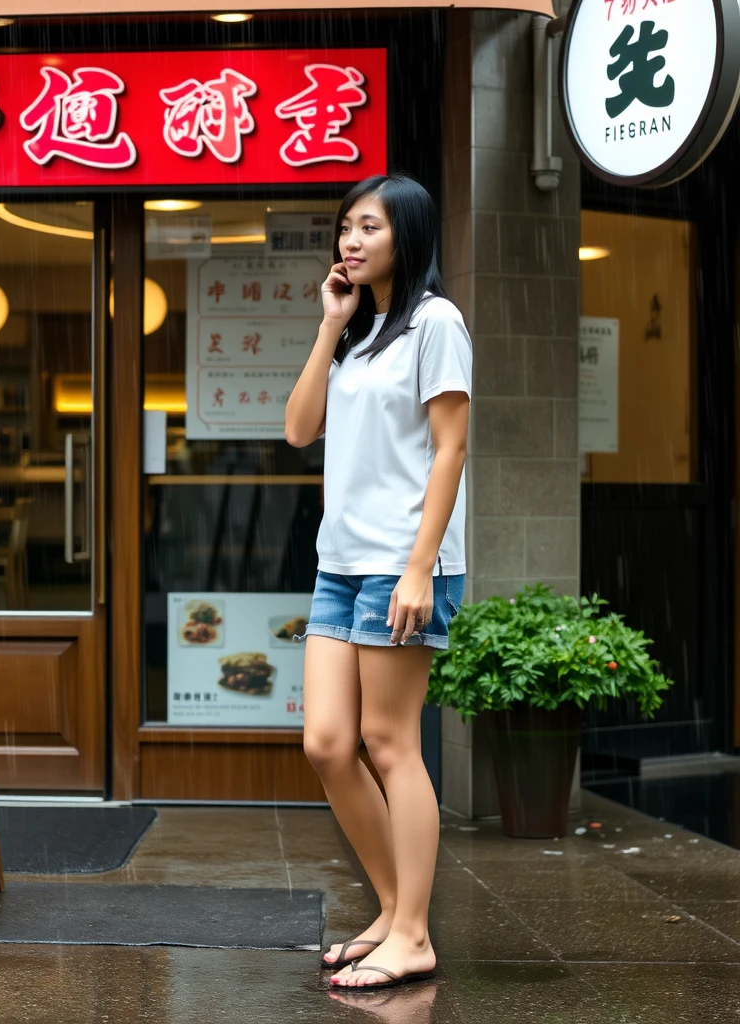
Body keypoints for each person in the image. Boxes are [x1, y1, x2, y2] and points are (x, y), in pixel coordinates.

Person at [285, 173, 472, 990]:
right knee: (327, 744)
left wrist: (420, 568)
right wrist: (329, 326)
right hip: (339, 563)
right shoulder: (358, 331)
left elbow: (451, 449)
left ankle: (414, 933)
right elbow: (297, 430)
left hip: (402, 566)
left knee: (390, 744)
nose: (350, 242)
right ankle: (396, 916)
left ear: (409, 235)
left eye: (369, 227)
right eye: (345, 228)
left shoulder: (437, 323)